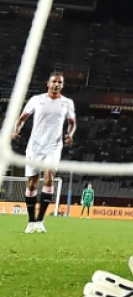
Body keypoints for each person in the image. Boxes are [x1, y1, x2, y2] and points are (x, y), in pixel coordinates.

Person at [13, 71, 76, 234]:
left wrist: (69, 134)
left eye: (60, 83)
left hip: (54, 146)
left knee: (49, 178)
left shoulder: (67, 103)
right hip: (34, 146)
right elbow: (21, 119)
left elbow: (72, 123)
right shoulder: (37, 100)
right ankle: (31, 221)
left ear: (63, 85)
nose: (56, 85)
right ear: (48, 83)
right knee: (32, 183)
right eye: (54, 82)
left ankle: (40, 221)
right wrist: (16, 130)